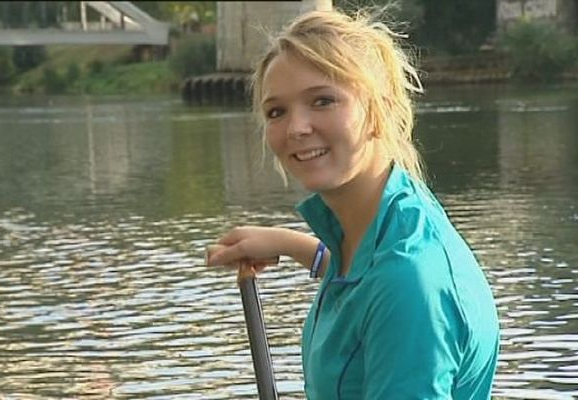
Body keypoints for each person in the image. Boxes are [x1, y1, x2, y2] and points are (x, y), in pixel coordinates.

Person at [206, 8, 499, 399]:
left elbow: (391, 289)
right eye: (277, 111)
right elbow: (364, 282)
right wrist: (290, 244)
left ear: (378, 109)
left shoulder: (409, 281)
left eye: (323, 101)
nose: (296, 128)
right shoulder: (394, 215)